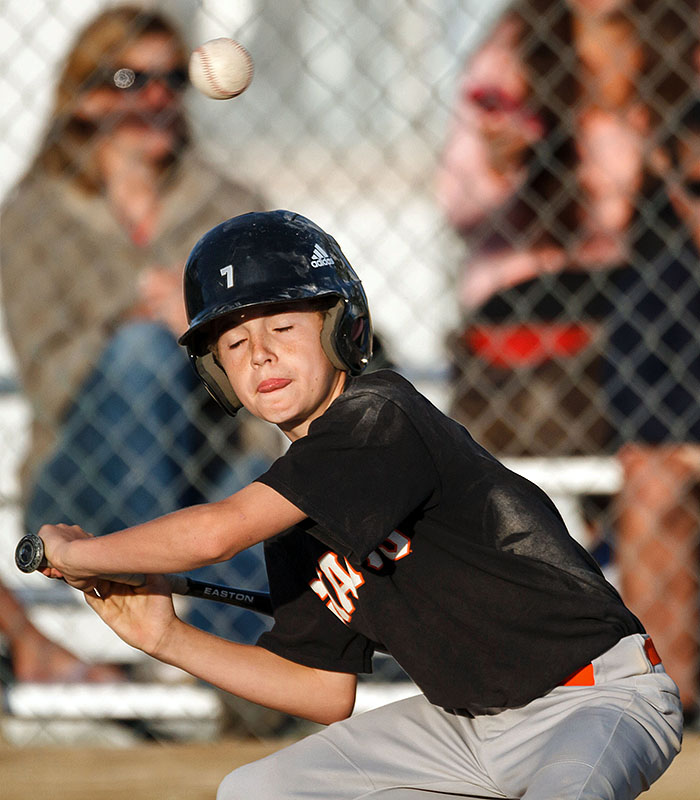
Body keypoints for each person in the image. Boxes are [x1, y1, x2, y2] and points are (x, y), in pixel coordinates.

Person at [32, 210, 681, 799]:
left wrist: (79, 552)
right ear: (217, 375)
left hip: (594, 700)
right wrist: (169, 638)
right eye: (233, 344)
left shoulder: (381, 418)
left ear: (344, 329)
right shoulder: (295, 508)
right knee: (257, 792)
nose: (260, 353)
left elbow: (216, 534)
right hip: (466, 730)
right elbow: (320, 688)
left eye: (283, 326)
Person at [0, 6, 276, 657]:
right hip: (83, 477)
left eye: (171, 79)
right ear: (87, 98)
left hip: (210, 468)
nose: (157, 96)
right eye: (131, 80)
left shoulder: (231, 206)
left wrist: (205, 330)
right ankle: (160, 586)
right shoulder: (32, 217)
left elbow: (273, 367)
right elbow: (50, 383)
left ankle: (253, 681)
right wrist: (143, 321)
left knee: (255, 495)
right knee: (139, 353)